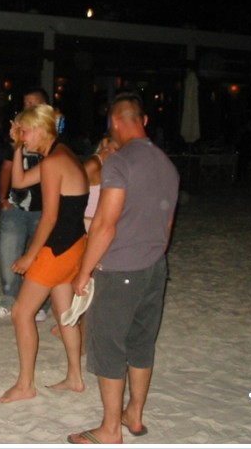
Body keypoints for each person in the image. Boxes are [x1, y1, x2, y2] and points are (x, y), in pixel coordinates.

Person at [67, 92, 179, 444]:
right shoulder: (167, 164)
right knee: (142, 343)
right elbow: (167, 225)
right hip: (155, 268)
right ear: (143, 120)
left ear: (114, 122)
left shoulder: (118, 163)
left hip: (120, 269)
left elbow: (105, 224)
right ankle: (135, 414)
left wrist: (84, 272)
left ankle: (110, 429)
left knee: (108, 345)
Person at [0, 103, 89, 404]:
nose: (22, 136)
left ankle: (25, 385)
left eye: (24, 131)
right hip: (74, 244)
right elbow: (19, 182)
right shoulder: (62, 154)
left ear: (40, 129)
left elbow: (49, 217)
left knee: (21, 313)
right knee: (64, 314)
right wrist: (17, 147)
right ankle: (75, 377)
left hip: (58, 247)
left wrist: (29, 257)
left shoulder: (53, 162)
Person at [0, 87, 51, 323]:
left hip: (44, 208)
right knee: (9, 254)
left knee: (40, 257)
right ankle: (9, 299)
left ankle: (40, 303)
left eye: (34, 102)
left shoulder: (52, 137)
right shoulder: (17, 136)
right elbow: (7, 167)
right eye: (26, 102)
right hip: (16, 205)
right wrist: (3, 198)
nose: (29, 106)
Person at [50, 135, 118, 346]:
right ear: (104, 144)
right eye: (116, 146)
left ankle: (80, 331)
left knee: (88, 283)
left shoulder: (113, 167)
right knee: (78, 282)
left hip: (99, 228)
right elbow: (70, 194)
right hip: (88, 227)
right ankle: (75, 328)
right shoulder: (92, 165)